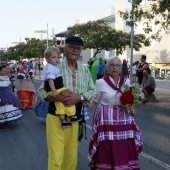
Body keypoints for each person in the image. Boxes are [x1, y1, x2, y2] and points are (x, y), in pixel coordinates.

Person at [45, 36, 95, 170]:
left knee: (71, 158)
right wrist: (57, 97)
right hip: (56, 118)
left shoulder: (85, 69)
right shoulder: (55, 66)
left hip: (75, 119)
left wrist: (80, 97)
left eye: (78, 48)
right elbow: (41, 93)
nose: (75, 51)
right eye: (72, 47)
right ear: (65, 49)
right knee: (56, 158)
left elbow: (92, 90)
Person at [87, 56, 143, 170]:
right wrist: (83, 107)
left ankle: (123, 166)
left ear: (120, 68)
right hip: (106, 117)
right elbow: (95, 100)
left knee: (124, 143)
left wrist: (133, 101)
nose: (114, 68)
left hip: (123, 117)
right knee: (106, 145)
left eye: (117, 65)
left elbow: (131, 100)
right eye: (112, 65)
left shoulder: (127, 82)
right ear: (108, 67)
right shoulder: (100, 82)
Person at [41, 46, 82, 128]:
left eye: (58, 57)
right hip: (56, 88)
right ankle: (67, 117)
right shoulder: (50, 67)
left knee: (64, 100)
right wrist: (54, 91)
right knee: (63, 99)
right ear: (47, 59)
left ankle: (67, 117)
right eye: (54, 57)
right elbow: (50, 80)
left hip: (59, 87)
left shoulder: (54, 67)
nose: (57, 59)